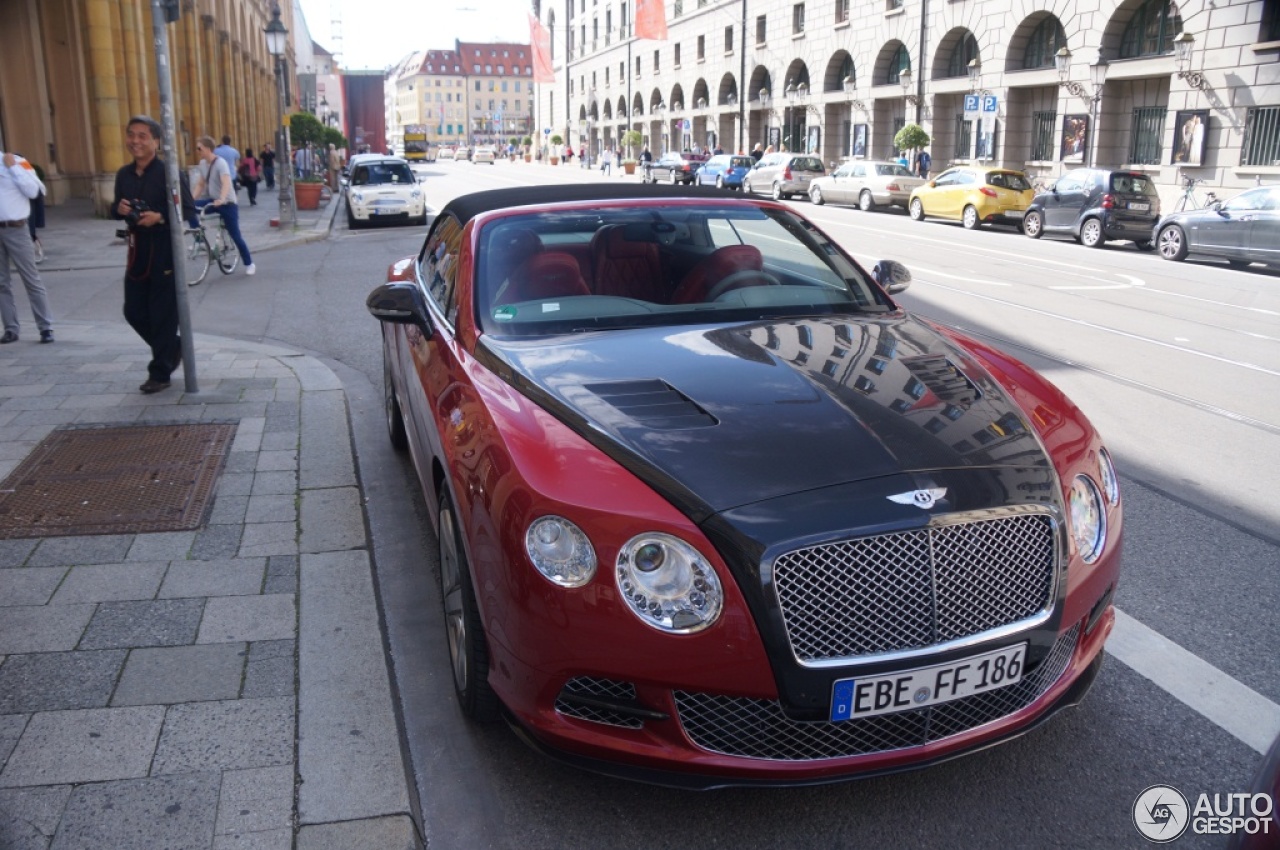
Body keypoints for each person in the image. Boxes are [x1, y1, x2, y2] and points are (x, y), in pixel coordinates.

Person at [112, 116, 195, 392]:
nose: (135, 141)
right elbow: (115, 209)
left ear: (156, 142)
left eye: (142, 136)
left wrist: (160, 217)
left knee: (162, 314)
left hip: (164, 249)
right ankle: (173, 348)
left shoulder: (169, 173)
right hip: (137, 250)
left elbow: (189, 211)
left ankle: (160, 373)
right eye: (131, 134)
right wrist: (121, 210)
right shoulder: (123, 174)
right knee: (133, 311)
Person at [0, 148, 54, 344]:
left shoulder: (18, 161)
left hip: (16, 228)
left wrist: (13, 168)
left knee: (31, 279)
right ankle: (10, 329)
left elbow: (34, 191)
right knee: (1, 283)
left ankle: (45, 327)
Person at [193, 135, 255, 276]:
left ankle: (249, 263)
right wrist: (190, 200)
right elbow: (201, 184)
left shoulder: (221, 163)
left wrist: (222, 198)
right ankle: (198, 237)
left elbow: (226, 182)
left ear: (208, 148)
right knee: (188, 208)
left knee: (235, 235)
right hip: (213, 200)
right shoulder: (202, 164)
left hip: (227, 203)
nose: (198, 151)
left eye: (199, 148)